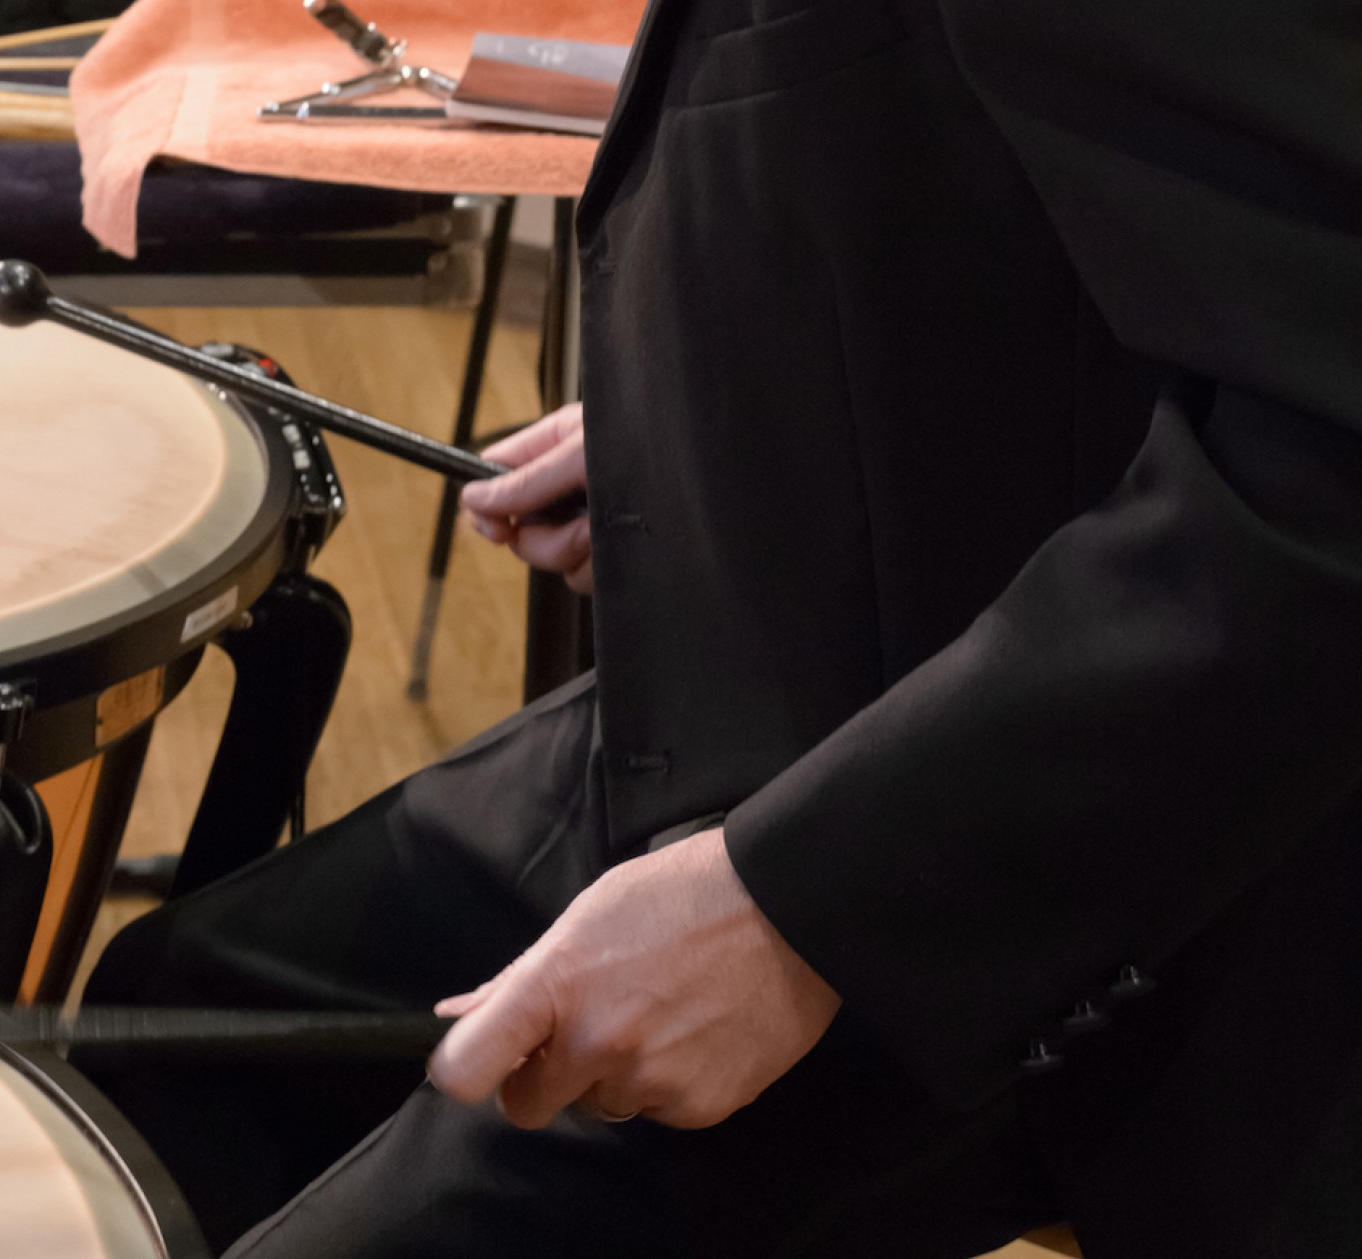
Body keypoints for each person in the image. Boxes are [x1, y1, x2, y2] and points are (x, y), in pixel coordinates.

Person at [79, 0, 1362, 1255]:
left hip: (1026, 851)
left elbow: (1329, 470)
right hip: (793, 689)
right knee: (191, 1022)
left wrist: (796, 909)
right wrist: (728, 415)